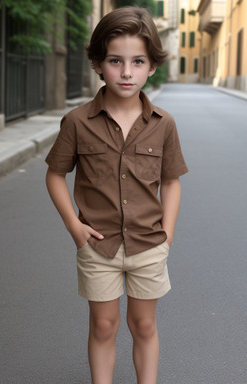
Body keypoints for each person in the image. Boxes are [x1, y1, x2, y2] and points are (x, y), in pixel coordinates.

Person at [45, 6, 188, 384]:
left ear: (151, 66)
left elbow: (171, 181)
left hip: (148, 243)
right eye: (115, 61)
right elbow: (55, 175)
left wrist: (167, 234)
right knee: (104, 326)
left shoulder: (164, 125)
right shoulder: (77, 122)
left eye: (138, 61)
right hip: (98, 245)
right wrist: (74, 227)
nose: (126, 72)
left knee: (143, 325)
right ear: (97, 63)